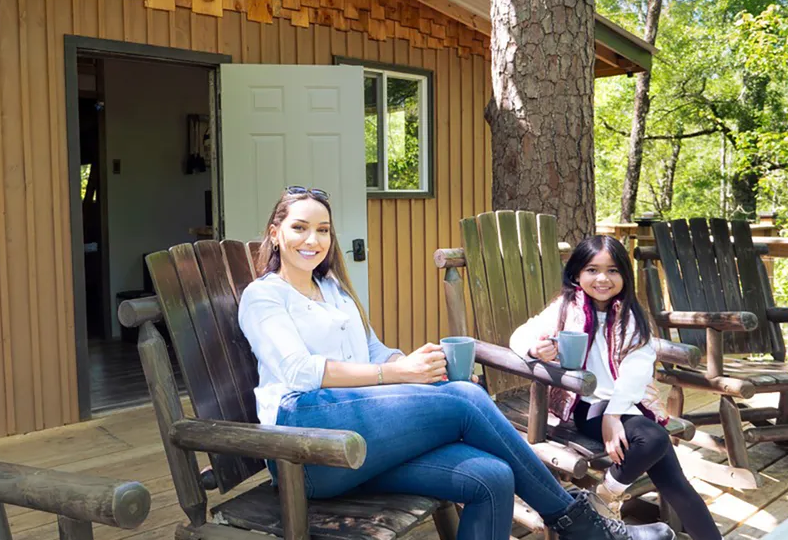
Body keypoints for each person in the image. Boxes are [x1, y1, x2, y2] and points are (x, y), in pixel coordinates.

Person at [237, 186, 676, 540]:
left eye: (323, 230)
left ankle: (580, 524)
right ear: (275, 233)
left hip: (362, 437)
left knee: (492, 476)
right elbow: (299, 371)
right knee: (465, 397)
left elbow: (372, 352)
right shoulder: (264, 295)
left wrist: (410, 363)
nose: (312, 240)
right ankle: (579, 522)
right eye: (299, 227)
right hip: (305, 448)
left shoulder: (333, 290)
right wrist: (395, 375)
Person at [511, 235, 720, 540]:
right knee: (654, 438)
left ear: (624, 275)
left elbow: (636, 371)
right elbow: (520, 336)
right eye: (592, 270)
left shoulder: (632, 315)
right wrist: (535, 349)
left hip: (627, 404)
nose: (602, 279)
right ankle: (606, 495)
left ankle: (603, 495)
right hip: (584, 404)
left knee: (673, 479)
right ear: (576, 275)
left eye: (612, 271)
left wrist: (614, 416)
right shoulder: (564, 308)